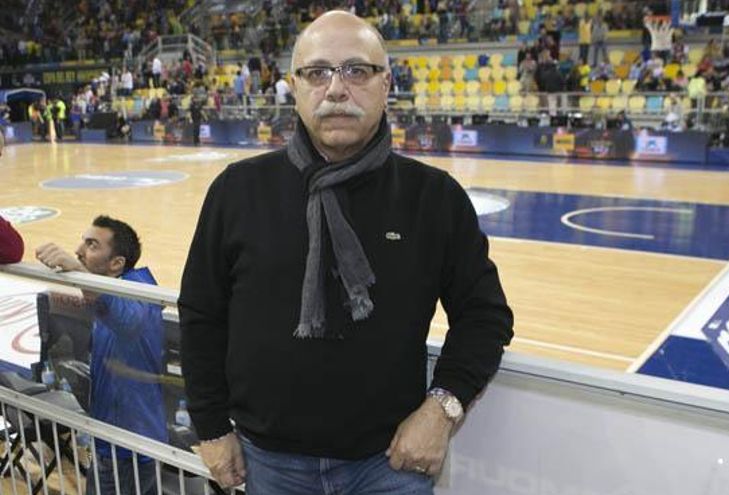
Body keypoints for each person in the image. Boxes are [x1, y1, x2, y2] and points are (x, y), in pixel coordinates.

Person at [179, 11, 514, 494]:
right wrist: (210, 428)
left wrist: (441, 410)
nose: (336, 89)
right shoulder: (238, 190)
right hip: (264, 463)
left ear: (386, 84)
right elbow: (201, 314)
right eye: (317, 73)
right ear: (294, 87)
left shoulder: (434, 198)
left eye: (357, 70)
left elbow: (485, 316)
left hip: (390, 466)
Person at [34, 216, 168, 494]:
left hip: (129, 447)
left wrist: (80, 273)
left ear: (117, 263)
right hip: (116, 439)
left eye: (92, 245)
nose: (79, 251)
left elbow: (128, 321)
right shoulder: (114, 287)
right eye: (82, 241)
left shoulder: (138, 291)